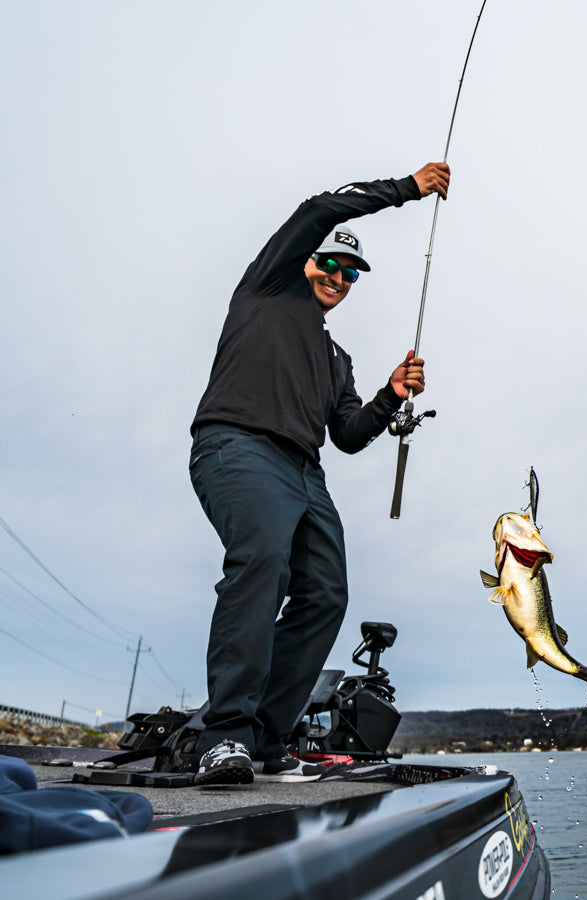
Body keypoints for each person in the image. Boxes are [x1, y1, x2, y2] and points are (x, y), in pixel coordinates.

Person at [189, 161, 450, 786]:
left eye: (350, 273)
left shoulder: (338, 359)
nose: (338, 276)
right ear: (306, 260)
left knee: (327, 592)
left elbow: (350, 436)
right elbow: (319, 210)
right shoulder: (268, 287)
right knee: (263, 564)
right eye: (329, 263)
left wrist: (389, 393)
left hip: (306, 473)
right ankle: (223, 735)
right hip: (239, 445)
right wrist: (406, 190)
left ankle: (269, 737)